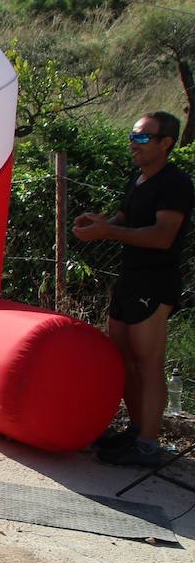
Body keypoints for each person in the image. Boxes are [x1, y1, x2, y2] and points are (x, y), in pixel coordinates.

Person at [76, 111, 192, 468]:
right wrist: (102, 223)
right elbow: (126, 218)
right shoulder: (138, 177)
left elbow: (162, 235)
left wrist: (108, 233)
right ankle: (136, 430)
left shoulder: (175, 183)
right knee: (122, 360)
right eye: (133, 135)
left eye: (143, 137)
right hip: (129, 278)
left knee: (148, 363)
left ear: (165, 143)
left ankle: (148, 445)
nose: (133, 143)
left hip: (156, 283)